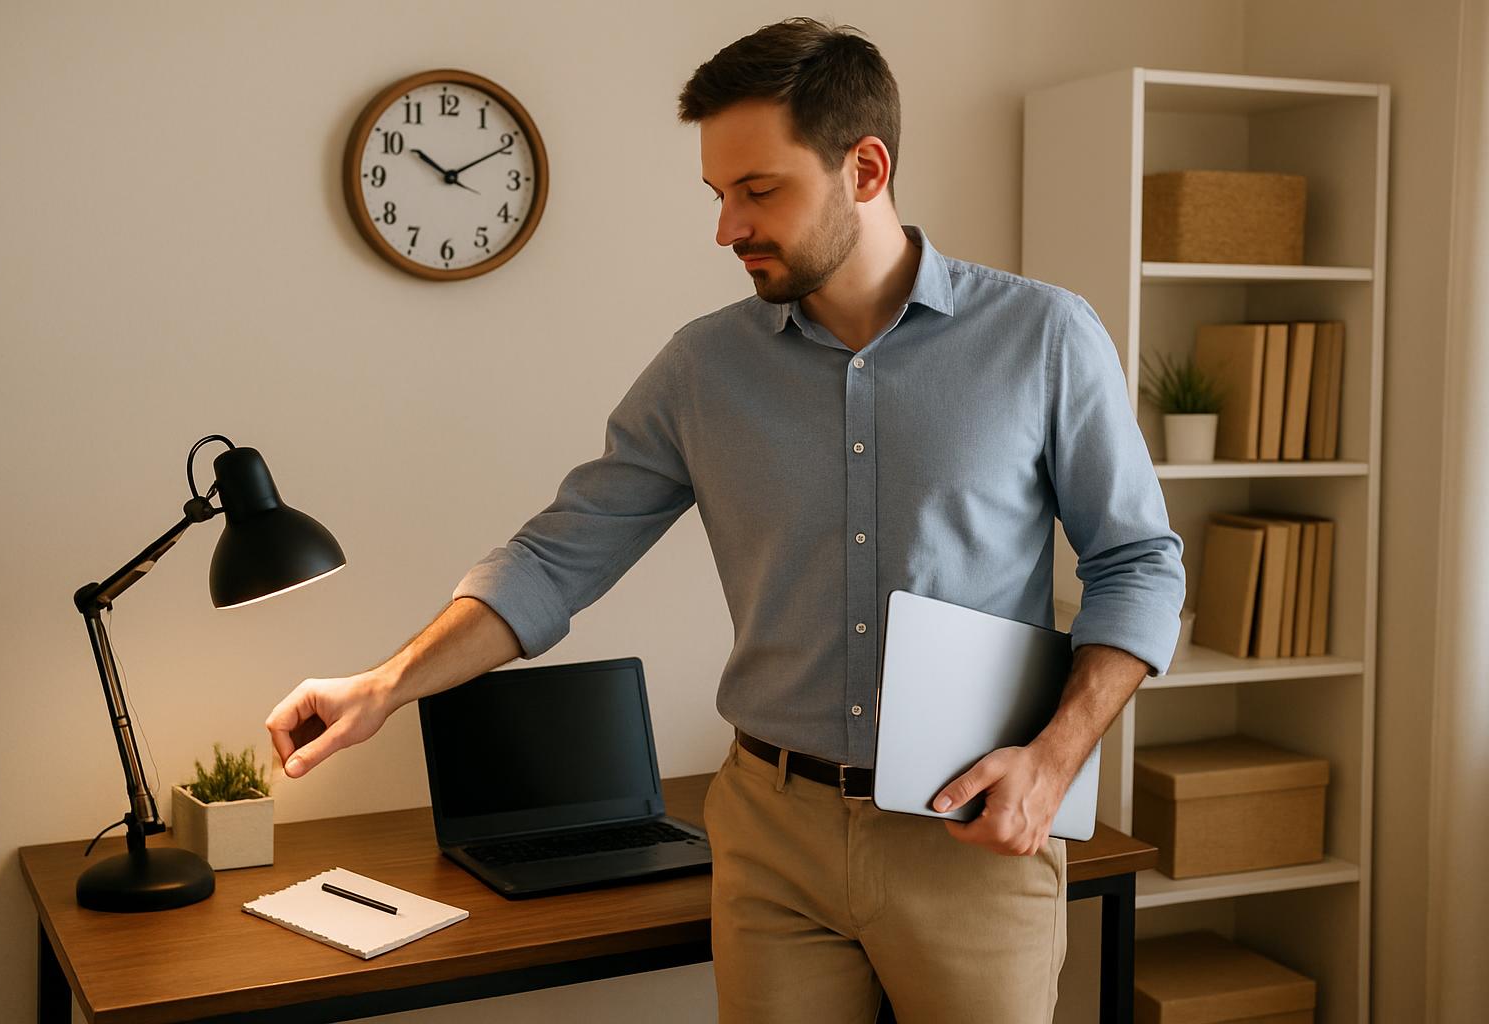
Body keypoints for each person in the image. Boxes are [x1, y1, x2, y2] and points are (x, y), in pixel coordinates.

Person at [266, 16, 1184, 1023]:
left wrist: (1053, 763)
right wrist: (385, 686)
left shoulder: (1044, 336)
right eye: (718, 194)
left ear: (865, 169)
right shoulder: (704, 369)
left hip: (965, 834)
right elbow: (555, 557)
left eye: (759, 191)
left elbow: (1139, 564)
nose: (727, 228)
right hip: (769, 839)